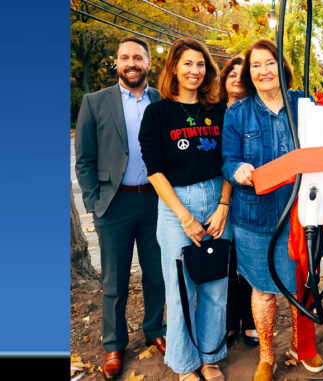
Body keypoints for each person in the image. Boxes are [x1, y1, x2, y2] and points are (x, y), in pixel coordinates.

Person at [221, 39, 323, 381]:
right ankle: (267, 355)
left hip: (301, 214)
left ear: (282, 67)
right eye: (256, 65)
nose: (263, 71)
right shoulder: (238, 112)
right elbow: (228, 160)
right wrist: (237, 171)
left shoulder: (305, 104)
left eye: (270, 63)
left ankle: (301, 345)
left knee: (303, 285)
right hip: (256, 216)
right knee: (263, 289)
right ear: (249, 73)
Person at [74, 35, 166, 380]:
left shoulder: (162, 99)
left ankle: (155, 330)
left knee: (157, 274)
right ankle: (114, 344)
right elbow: (84, 159)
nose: (132, 63)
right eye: (125, 57)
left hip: (156, 201)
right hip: (114, 204)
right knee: (115, 280)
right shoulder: (95, 102)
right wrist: (95, 203)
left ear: (148, 64)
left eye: (138, 58)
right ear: (117, 62)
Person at [139, 37, 230, 381]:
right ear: (174, 68)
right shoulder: (158, 112)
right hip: (176, 203)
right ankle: (183, 364)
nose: (195, 70)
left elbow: (229, 161)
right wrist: (185, 216)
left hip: (216, 198)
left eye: (201, 64)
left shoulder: (218, 110)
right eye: (188, 63)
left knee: (215, 286)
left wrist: (223, 205)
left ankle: (209, 357)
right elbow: (154, 170)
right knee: (180, 290)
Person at [218, 55, 260, 348]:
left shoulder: (255, 113)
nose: (236, 78)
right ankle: (229, 320)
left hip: (246, 196)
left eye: (241, 74)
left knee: (246, 263)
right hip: (219, 196)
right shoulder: (213, 111)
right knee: (224, 262)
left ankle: (250, 320)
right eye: (230, 74)